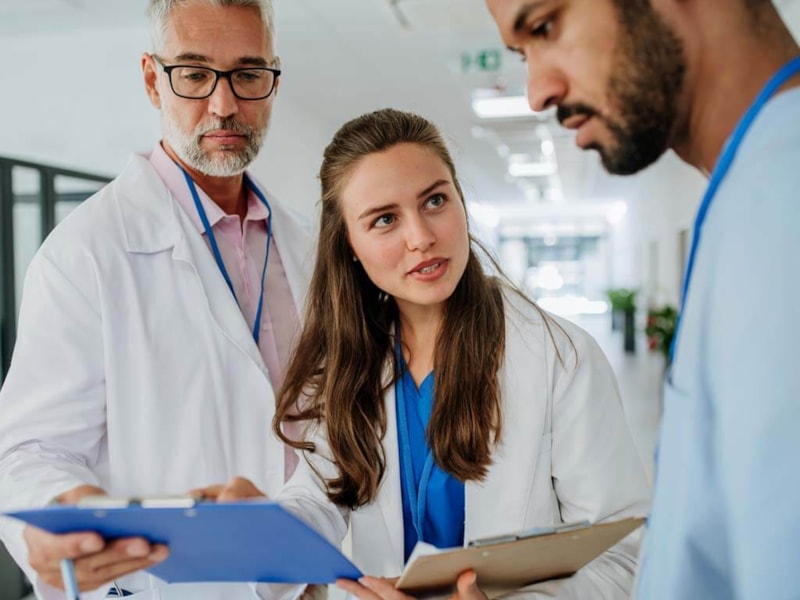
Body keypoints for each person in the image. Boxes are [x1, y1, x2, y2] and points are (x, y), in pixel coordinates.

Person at [202, 108, 650, 599]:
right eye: (385, 219)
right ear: (349, 244)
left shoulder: (560, 358)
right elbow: (319, 499)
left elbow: (622, 552)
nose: (421, 237)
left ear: (460, 200)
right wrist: (266, 533)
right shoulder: (347, 366)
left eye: (435, 200)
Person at [485, 0, 800, 598]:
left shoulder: (783, 205)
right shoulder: (748, 197)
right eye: (523, 55)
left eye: (547, 26)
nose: (537, 91)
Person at [0, 0, 313, 597]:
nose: (224, 105)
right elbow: (29, 448)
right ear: (152, 79)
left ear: (274, 80)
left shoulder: (306, 245)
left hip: (304, 583)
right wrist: (58, 508)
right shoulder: (86, 253)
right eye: (194, 75)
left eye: (248, 75)